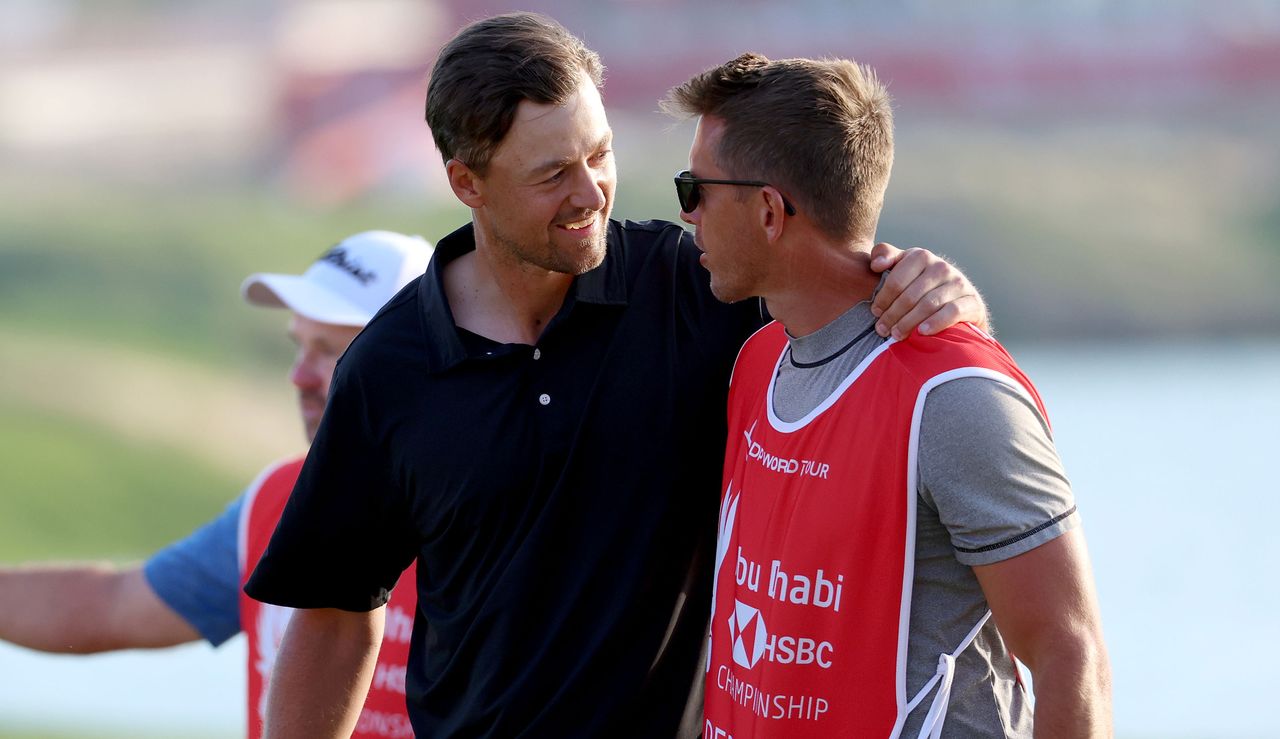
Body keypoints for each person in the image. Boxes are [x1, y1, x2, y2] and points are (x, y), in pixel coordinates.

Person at [244, 13, 990, 738]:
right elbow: (335, 616)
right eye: (552, 174)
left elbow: (859, 320)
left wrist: (946, 295)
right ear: (467, 182)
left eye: (598, 154)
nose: (591, 191)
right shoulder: (388, 368)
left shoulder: (698, 290)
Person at [663, 53, 1112, 737]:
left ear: (768, 211)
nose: (687, 213)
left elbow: (1070, 655)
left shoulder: (956, 397)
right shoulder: (756, 360)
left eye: (696, 188)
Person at [0, 230, 431, 739]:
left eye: (329, 351)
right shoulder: (278, 500)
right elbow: (110, 607)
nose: (298, 376)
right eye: (299, 346)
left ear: (406, 363)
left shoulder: (497, 509)